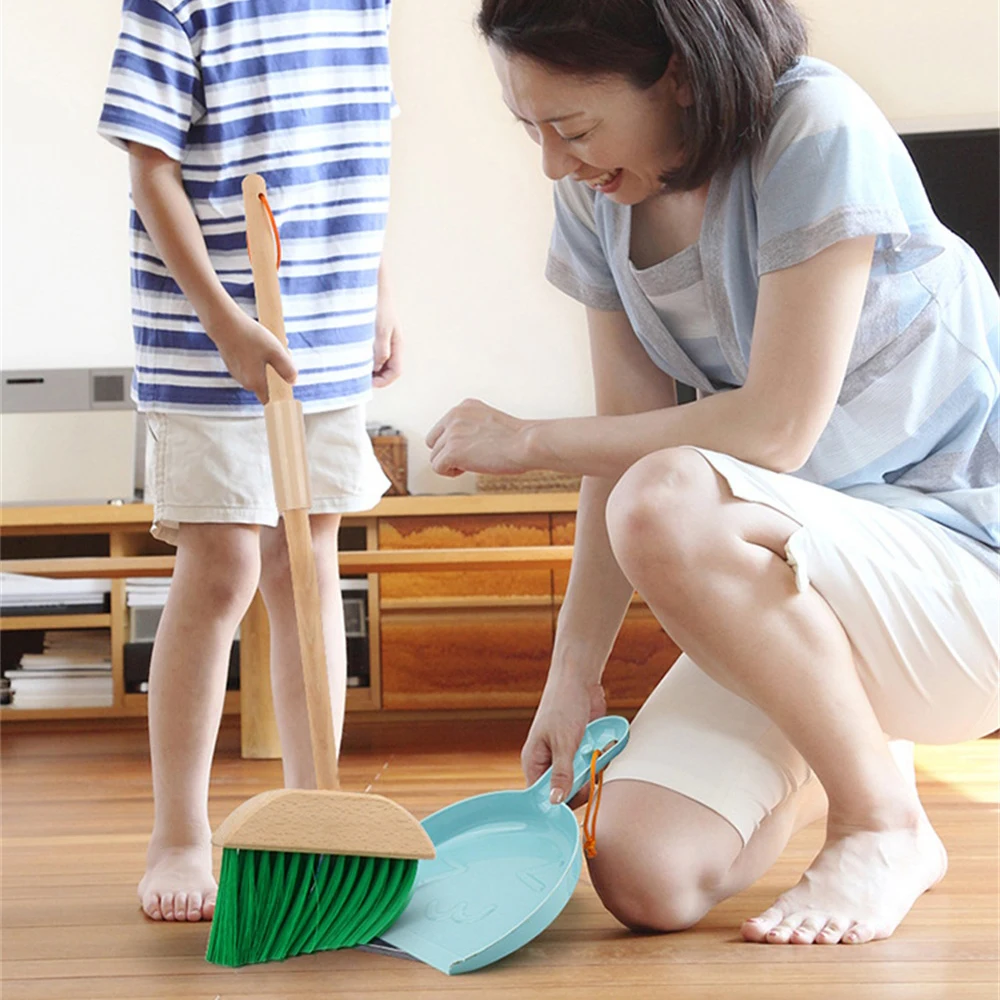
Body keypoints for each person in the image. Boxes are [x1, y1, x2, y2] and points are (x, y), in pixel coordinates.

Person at [427, 0, 999, 946]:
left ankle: (882, 822)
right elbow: (623, 439)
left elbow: (772, 430)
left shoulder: (815, 125)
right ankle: (856, 747)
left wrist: (524, 440)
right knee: (648, 877)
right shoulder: (599, 194)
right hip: (806, 590)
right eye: (529, 129)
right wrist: (573, 675)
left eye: (570, 127)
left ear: (681, 75)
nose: (553, 162)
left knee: (668, 494)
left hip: (956, 579)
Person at [98, 0, 401, 922]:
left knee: (308, 564)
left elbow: (370, 150)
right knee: (223, 561)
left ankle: (318, 812)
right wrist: (226, 322)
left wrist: (383, 289)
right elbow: (153, 174)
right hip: (208, 336)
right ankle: (181, 832)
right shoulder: (175, 6)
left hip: (330, 325)